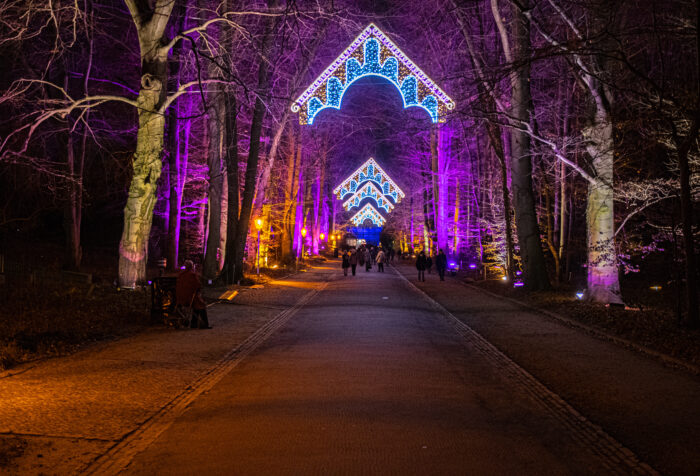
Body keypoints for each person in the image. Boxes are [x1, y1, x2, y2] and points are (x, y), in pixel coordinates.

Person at [175, 260, 212, 329]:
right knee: (200, 305)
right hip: (189, 297)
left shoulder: (181, 275)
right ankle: (204, 324)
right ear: (192, 267)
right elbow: (198, 286)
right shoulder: (192, 275)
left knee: (197, 304)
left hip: (180, 298)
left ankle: (194, 323)